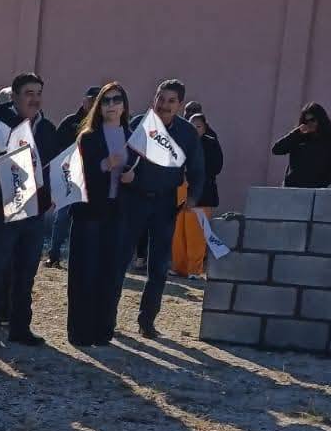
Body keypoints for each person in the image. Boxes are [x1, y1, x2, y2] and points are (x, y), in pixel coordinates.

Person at [116, 78, 204, 339]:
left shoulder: (187, 133)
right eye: (160, 99)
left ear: (179, 105)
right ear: (154, 99)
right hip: (133, 200)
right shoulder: (137, 124)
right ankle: (107, 319)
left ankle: (147, 322)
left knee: (158, 266)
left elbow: (198, 168)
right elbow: (119, 159)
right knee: (120, 260)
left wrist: (193, 196)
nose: (164, 105)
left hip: (165, 203)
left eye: (171, 101)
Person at [0, 71, 59, 350]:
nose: (34, 99)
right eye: (28, 93)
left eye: (38, 93)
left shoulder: (47, 129)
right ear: (14, 97)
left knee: (26, 273)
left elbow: (51, 167)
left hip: (35, 211)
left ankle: (20, 327)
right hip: (3, 212)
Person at [68, 82, 137, 347]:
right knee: (85, 272)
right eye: (106, 100)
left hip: (117, 212)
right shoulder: (88, 136)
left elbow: (141, 173)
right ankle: (80, 332)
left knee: (110, 273)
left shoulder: (132, 136)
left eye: (116, 99)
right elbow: (79, 174)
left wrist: (133, 176)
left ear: (124, 104)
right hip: (90, 212)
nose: (111, 105)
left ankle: (103, 330)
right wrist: (105, 165)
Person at [46, 86, 101, 267]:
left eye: (96, 100)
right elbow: (55, 148)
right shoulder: (70, 122)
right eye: (90, 99)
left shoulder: (101, 126)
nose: (92, 104)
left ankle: (84, 259)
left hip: (92, 182)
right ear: (84, 100)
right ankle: (53, 255)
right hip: (69, 178)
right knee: (62, 217)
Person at [171, 109, 224, 277]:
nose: (195, 129)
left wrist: (197, 171)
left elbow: (216, 167)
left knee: (197, 233)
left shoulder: (211, 143)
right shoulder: (182, 142)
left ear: (205, 127)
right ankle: (178, 266)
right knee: (178, 231)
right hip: (180, 191)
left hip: (202, 193)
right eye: (192, 126)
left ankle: (194, 268)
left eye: (199, 126)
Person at [272, 103, 331, 189]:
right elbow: (276, 150)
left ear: (321, 119)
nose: (309, 123)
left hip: (315, 189)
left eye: (312, 120)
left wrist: (322, 183)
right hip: (291, 188)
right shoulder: (299, 136)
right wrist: (295, 133)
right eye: (306, 121)